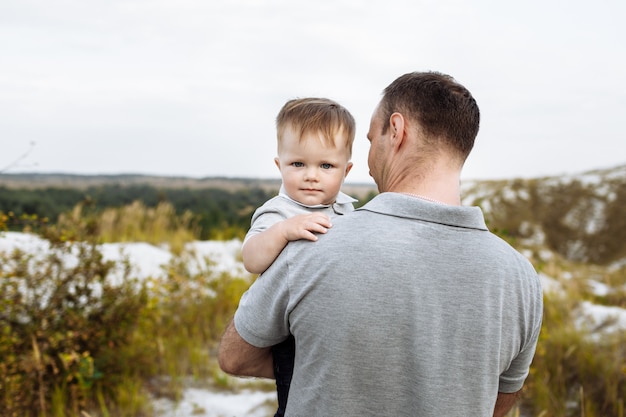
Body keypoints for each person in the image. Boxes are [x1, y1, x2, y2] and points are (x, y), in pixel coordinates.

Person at [219, 71, 543, 417]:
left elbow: (235, 357)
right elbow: (498, 400)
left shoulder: (310, 242)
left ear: (396, 131)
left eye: (372, 141)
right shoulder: (522, 278)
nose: (370, 164)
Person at [241, 97, 357, 416]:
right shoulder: (279, 212)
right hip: (291, 330)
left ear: (346, 170)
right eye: (298, 164)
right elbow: (251, 259)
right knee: (297, 398)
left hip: (334, 327)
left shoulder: (347, 210)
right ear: (280, 165)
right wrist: (282, 231)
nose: (311, 175)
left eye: (326, 166)